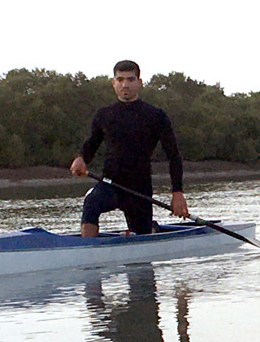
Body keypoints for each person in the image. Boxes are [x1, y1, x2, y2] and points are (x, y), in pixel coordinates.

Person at [70, 60, 189, 236]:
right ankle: (87, 253)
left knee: (142, 232)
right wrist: (80, 159)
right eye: (120, 79)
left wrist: (177, 193)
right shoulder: (103, 115)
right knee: (91, 203)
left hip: (139, 188)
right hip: (110, 183)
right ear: (113, 83)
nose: (125, 84)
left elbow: (173, 156)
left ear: (139, 82)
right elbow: (90, 145)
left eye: (130, 79)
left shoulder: (156, 115)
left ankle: (152, 228)